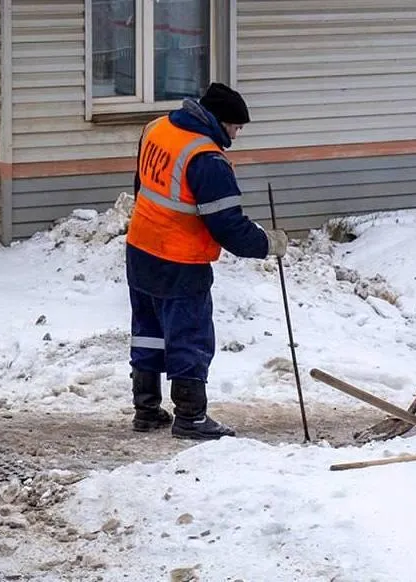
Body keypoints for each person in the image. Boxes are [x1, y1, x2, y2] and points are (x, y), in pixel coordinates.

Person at [125, 82, 288, 440]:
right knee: (189, 336)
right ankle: (191, 418)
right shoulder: (207, 159)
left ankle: (146, 408)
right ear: (220, 120)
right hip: (179, 260)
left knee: (149, 329)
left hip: (140, 247)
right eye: (236, 126)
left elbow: (142, 184)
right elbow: (228, 227)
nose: (237, 133)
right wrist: (268, 243)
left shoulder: (158, 128)